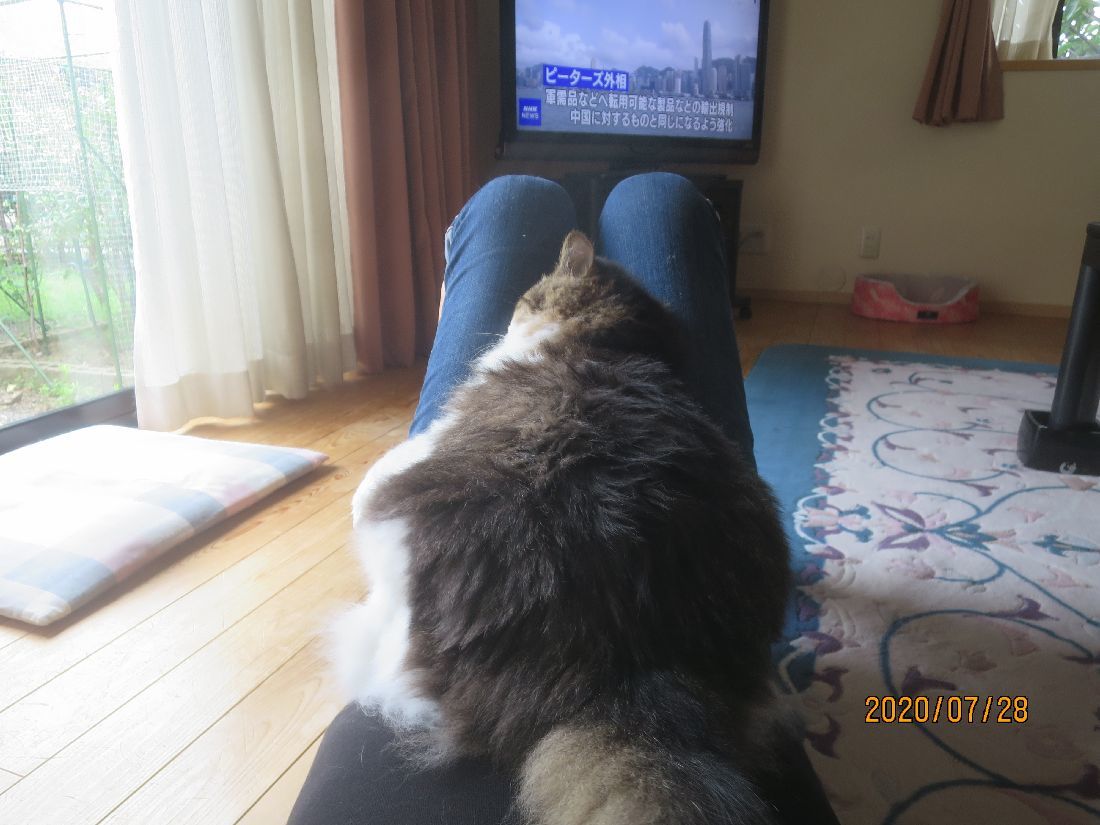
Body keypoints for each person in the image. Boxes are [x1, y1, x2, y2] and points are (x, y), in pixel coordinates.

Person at [287, 173, 840, 825]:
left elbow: (378, 506)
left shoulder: (532, 354)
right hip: (698, 689)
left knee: (513, 200)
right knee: (662, 200)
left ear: (557, 302)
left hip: (486, 680)